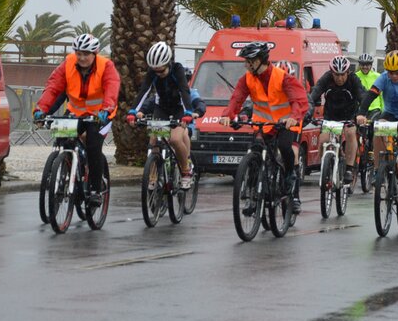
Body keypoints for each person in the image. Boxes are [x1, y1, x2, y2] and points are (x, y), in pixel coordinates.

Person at [219, 42, 309, 213]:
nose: (246, 65)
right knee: (256, 151)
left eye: (249, 61)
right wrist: (227, 115)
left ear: (259, 60)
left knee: (285, 147)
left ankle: (290, 175)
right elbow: (236, 98)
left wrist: (293, 117)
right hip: (263, 124)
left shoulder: (283, 77)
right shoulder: (247, 79)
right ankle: (253, 197)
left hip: (286, 122)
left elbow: (298, 100)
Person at [34, 34, 119, 202]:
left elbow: (112, 89)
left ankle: (95, 189)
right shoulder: (68, 64)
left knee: (93, 146)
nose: (82, 58)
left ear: (95, 53)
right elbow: (53, 88)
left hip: (99, 115)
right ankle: (70, 167)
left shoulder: (106, 66)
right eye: (79, 53)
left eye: (86, 54)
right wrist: (41, 109)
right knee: (64, 139)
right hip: (75, 113)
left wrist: (106, 110)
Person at [355, 50, 398, 215]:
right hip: (391, 115)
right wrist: (361, 113)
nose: (393, 76)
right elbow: (371, 95)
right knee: (379, 127)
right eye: (390, 72)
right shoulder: (384, 78)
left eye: (397, 72)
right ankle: (378, 170)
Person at [129, 41, 197, 189]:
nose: (158, 74)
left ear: (168, 63)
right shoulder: (153, 72)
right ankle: (153, 176)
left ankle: (186, 171)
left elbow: (184, 91)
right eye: (155, 71)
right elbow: (144, 91)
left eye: (161, 71)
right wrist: (133, 111)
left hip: (178, 108)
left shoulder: (177, 69)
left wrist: (188, 113)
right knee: (154, 141)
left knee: (175, 139)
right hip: (162, 109)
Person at [309, 55, 366, 192]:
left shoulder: (353, 80)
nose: (339, 78)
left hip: (349, 115)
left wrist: (361, 114)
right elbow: (314, 94)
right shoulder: (326, 78)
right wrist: (308, 109)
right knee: (323, 139)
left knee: (350, 133)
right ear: (331, 73)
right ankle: (325, 166)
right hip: (331, 116)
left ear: (347, 72)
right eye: (336, 75)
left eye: (342, 75)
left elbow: (362, 97)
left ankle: (349, 168)